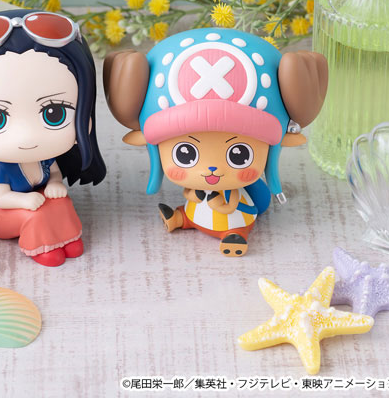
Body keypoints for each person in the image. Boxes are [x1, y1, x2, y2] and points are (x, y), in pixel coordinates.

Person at [104, 28, 327, 257]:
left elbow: (230, 205)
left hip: (233, 219)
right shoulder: (201, 184)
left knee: (230, 221)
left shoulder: (231, 192)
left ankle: (235, 235)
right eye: (185, 154)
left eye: (239, 155)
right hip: (200, 212)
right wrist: (196, 195)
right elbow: (191, 193)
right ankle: (181, 218)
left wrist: (218, 202)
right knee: (192, 211)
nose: (211, 168)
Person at [0, 9, 106, 267]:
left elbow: (53, 174)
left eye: (54, 113)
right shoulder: (3, 166)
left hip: (33, 197)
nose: (27, 136)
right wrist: (25, 200)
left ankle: (68, 239)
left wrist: (55, 182)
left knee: (62, 202)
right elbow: (0, 198)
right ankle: (42, 248)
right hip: (0, 212)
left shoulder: (45, 158)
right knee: (36, 215)